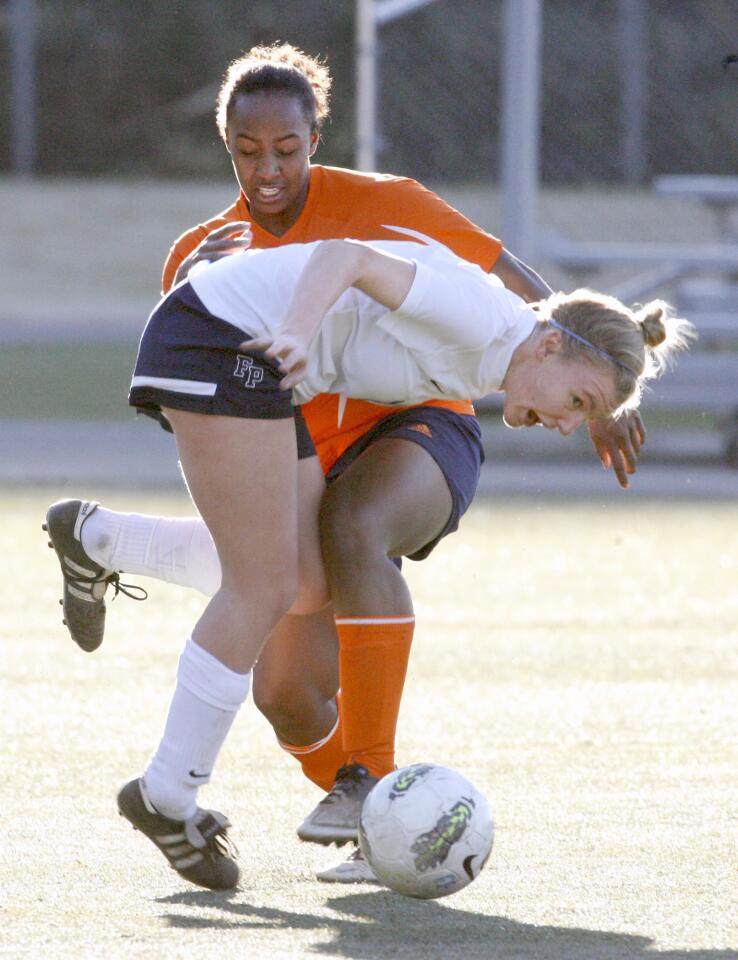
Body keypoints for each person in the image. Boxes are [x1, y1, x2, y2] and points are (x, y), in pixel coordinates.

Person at [43, 44, 649, 886]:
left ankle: (107, 554)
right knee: (276, 611)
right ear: (226, 143)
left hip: (392, 427)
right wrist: (292, 335)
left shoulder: (413, 235)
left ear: (315, 136)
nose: (267, 167)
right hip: (241, 367)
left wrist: (607, 389)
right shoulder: (211, 248)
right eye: (246, 150)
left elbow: (526, 294)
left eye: (285, 148)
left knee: (318, 557)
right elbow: (337, 275)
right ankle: (184, 793)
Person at [121, 232, 692, 890]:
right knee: (265, 585)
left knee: (303, 583)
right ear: (550, 344)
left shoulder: (497, 356)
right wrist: (299, 331)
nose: (569, 423)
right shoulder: (482, 316)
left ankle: (103, 540)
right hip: (219, 340)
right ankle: (169, 797)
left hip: (243, 349)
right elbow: (345, 254)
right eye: (579, 403)